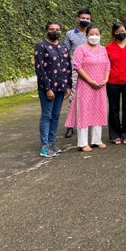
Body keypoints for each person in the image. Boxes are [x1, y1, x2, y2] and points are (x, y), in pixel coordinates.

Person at [64, 25, 110, 152]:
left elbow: (107, 65)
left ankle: (96, 140)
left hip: (100, 85)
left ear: (100, 35)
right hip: (85, 85)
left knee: (99, 110)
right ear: (87, 35)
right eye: (91, 34)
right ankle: (83, 143)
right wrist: (90, 81)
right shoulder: (81, 49)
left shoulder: (103, 49)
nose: (94, 36)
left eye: (96, 34)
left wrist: (105, 79)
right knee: (84, 112)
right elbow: (77, 66)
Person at [34, 21, 72, 157]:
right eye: (51, 29)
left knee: (55, 116)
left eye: (57, 29)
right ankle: (44, 146)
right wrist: (47, 88)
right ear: (46, 31)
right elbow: (40, 69)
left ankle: (52, 143)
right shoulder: (41, 46)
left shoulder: (63, 47)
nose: (54, 31)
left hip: (61, 87)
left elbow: (68, 67)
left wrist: (69, 86)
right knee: (46, 115)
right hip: (47, 88)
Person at [106, 23, 126, 145]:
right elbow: (105, 65)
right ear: (114, 33)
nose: (121, 33)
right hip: (112, 81)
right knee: (113, 108)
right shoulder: (108, 47)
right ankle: (115, 135)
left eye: (123, 31)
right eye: (118, 31)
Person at [63, 8, 92, 138]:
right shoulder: (70, 34)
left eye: (88, 18)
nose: (85, 20)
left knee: (90, 96)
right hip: (75, 70)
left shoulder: (92, 34)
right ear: (78, 18)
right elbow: (65, 53)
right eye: (83, 18)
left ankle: (88, 121)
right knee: (73, 97)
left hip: (91, 70)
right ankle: (70, 125)